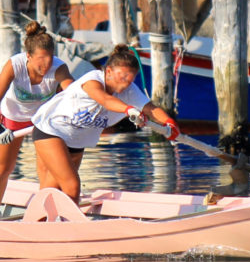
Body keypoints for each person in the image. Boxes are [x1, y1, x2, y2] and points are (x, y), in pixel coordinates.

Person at [31, 44, 180, 204]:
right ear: (108, 71)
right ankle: (68, 226)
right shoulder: (93, 80)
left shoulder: (129, 90)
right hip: (50, 130)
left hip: (76, 140)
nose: (126, 84)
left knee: (52, 187)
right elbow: (105, 99)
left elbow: (151, 109)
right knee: (72, 187)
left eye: (130, 79)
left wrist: (169, 123)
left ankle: (41, 223)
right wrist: (128, 109)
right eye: (123, 77)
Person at [0, 21, 74, 219]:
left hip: (42, 120)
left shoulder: (59, 69)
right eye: (41, 60)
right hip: (12, 118)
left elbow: (73, 93)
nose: (46, 65)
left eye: (50, 59)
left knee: (45, 167)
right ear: (29, 56)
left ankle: (43, 216)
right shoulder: (14, 65)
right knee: (5, 166)